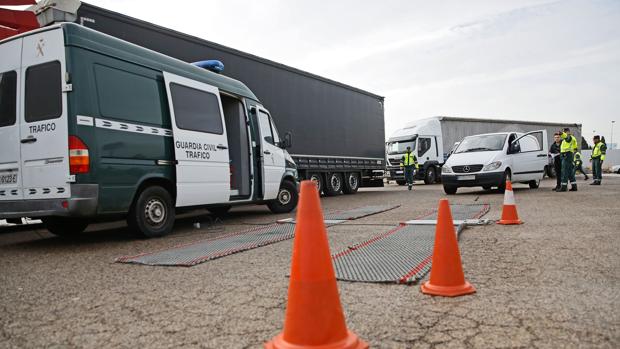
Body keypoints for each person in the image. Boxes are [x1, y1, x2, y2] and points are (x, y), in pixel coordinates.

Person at [558, 127, 578, 192]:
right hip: (569, 155)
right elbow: (575, 148)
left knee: (564, 171)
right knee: (570, 172)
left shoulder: (569, 137)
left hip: (566, 155)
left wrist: (562, 134)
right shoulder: (573, 138)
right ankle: (574, 186)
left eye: (564, 132)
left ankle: (563, 187)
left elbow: (567, 138)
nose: (563, 134)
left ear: (568, 132)